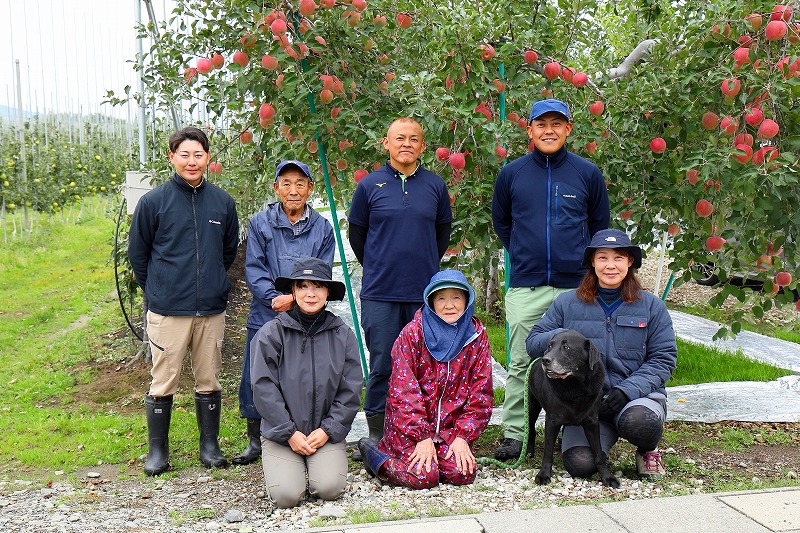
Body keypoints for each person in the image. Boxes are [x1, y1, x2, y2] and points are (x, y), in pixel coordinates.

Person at [491, 98, 610, 460]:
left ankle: (577, 426)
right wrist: (525, 255)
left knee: (581, 358)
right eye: (541, 124)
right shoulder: (511, 174)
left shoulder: (586, 173)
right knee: (520, 361)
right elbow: (503, 224)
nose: (549, 130)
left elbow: (598, 225)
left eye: (557, 123)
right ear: (529, 130)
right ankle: (516, 434)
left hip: (576, 287)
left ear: (568, 129)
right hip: (527, 285)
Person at [128, 126, 239, 475]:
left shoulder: (222, 202)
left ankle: (210, 446)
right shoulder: (154, 202)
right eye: (184, 154)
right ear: (172, 156)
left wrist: (213, 284)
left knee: (209, 379)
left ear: (208, 158)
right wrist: (161, 289)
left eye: (199, 154)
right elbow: (139, 255)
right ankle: (158, 452)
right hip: (168, 310)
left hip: (210, 310)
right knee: (164, 380)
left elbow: (227, 252)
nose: (192, 161)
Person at [526, 228, 677, 478]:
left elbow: (663, 359)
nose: (610, 266)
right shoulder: (566, 303)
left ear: (629, 262)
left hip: (635, 398)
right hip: (585, 403)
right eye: (602, 257)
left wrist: (627, 389)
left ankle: (647, 450)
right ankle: (595, 441)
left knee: (639, 422)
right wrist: (562, 335)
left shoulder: (652, 306)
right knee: (580, 464)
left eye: (618, 258)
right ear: (592, 263)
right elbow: (532, 343)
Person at [348, 117, 453, 444]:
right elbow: (358, 237)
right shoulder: (369, 186)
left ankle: (425, 433)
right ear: (386, 144)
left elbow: (442, 234)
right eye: (399, 138)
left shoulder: (435, 186)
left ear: (422, 146)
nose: (406, 144)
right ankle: (379, 436)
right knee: (382, 363)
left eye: (413, 139)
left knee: (429, 362)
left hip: (424, 294)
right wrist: (381, 264)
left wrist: (422, 264)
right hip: (380, 292)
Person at [233, 160, 335, 465]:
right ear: (276, 187)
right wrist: (273, 297)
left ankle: (300, 433)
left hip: (306, 312)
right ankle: (255, 439)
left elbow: (322, 271)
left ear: (310, 189)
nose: (293, 191)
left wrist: (296, 298)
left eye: (300, 184)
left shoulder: (322, 228)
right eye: (286, 183)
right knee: (257, 373)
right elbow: (254, 268)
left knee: (302, 373)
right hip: (267, 310)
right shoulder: (261, 223)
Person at [357, 269, 494, 489]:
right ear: (431, 302)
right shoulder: (412, 334)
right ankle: (375, 454)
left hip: (450, 432)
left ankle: (440, 455)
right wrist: (421, 436)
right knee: (424, 478)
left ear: (467, 300)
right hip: (410, 430)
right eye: (441, 298)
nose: (449, 305)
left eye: (456, 297)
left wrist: (462, 437)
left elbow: (481, 393)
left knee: (462, 474)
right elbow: (403, 392)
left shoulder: (476, 337)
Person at [250, 257, 363, 508]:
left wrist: (327, 430)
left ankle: (318, 463)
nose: (310, 294)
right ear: (293, 291)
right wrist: (288, 432)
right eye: (303, 286)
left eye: (318, 286)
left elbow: (351, 389)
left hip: (325, 434)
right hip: (283, 434)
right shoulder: (270, 334)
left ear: (327, 293)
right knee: (286, 497)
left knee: (329, 488)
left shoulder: (343, 335)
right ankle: (286, 465)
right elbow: (262, 387)